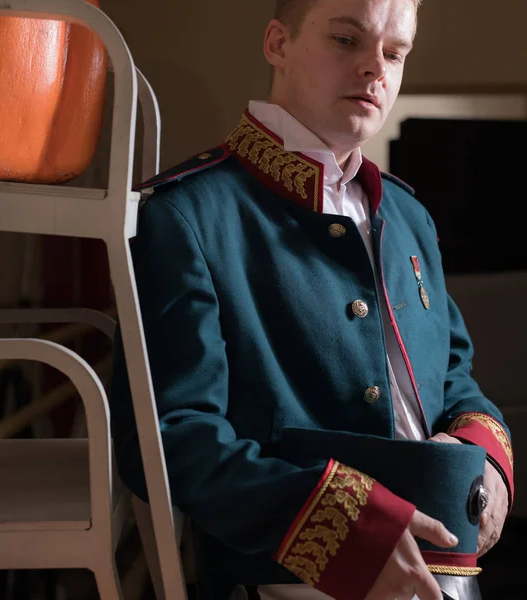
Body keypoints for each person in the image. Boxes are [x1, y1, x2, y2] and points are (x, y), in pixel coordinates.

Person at [110, 0, 514, 599]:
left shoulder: (409, 216)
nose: (375, 68)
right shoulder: (186, 215)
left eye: (394, 53)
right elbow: (169, 439)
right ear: (277, 44)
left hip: (452, 577)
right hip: (287, 580)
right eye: (347, 40)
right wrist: (341, 528)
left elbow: (453, 379)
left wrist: (491, 463)